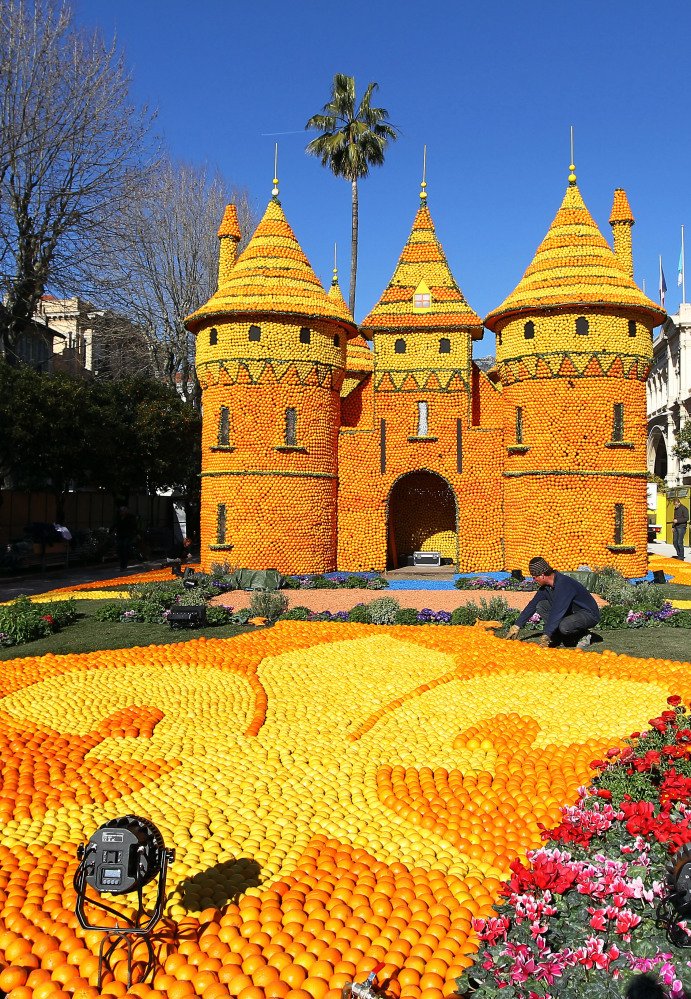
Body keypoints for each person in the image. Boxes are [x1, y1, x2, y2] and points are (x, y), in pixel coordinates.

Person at [506, 556, 600, 649]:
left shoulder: (564, 584)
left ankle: (584, 635)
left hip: (588, 614)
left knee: (565, 626)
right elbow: (533, 604)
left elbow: (557, 611)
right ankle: (559, 636)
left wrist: (547, 634)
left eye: (535, 577)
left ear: (542, 575)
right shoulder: (546, 587)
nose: (534, 580)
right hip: (572, 611)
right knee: (541, 605)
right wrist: (517, 625)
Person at [113, 506, 138, 572]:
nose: (122, 512)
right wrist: (111, 531)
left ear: (126, 511)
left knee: (125, 547)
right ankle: (122, 564)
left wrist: (134, 533)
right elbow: (115, 524)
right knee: (119, 549)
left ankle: (124, 565)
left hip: (127, 535)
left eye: (123, 511)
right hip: (120, 535)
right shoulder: (118, 518)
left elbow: (133, 526)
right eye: (121, 511)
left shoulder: (130, 517)